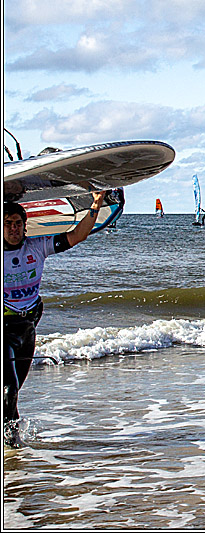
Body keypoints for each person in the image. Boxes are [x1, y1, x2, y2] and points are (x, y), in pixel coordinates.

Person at [4, 190, 107, 446]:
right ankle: (12, 444)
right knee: (8, 390)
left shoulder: (37, 247)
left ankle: (11, 449)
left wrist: (95, 206)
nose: (14, 229)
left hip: (27, 328)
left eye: (18, 223)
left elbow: (77, 236)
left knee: (14, 391)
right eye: (8, 224)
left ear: (25, 226)